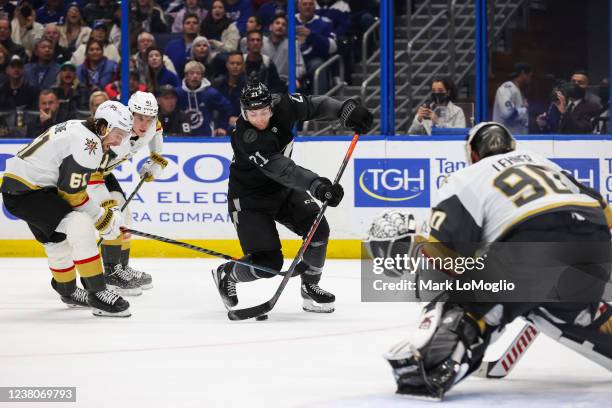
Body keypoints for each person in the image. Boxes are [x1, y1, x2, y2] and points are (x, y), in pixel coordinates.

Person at [384, 122, 612, 400]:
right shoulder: (545, 163)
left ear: (474, 153)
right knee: (566, 311)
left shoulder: (466, 176)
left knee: (469, 300)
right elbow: (604, 210)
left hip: (531, 243)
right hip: (594, 239)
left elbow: (439, 249)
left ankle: (431, 368)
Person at [213, 81, 373, 313]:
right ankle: (228, 273)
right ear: (243, 112)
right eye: (252, 114)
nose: (259, 119)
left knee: (318, 230)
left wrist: (344, 109)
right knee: (268, 263)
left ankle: (310, 287)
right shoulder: (247, 138)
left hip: (283, 191)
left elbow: (314, 105)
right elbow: (284, 170)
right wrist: (316, 185)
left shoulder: (284, 104)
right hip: (249, 201)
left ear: (272, 106)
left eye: (264, 112)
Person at [0, 100, 134, 317]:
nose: (119, 141)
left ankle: (67, 290)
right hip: (30, 193)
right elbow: (73, 195)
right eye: (118, 133)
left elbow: (68, 189)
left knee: (55, 239)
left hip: (23, 189)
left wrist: (101, 216)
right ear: (103, 126)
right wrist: (102, 217)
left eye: (124, 135)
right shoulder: (89, 144)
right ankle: (97, 293)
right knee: (79, 225)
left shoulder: (79, 127)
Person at [87, 92, 166, 295]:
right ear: (130, 114)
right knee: (113, 216)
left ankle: (120, 268)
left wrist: (156, 160)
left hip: (103, 172)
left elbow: (156, 131)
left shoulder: (152, 124)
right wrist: (107, 205)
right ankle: (111, 274)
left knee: (125, 216)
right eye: (140, 118)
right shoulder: (113, 130)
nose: (145, 124)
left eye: (149, 118)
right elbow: (91, 170)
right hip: (86, 174)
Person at [176, 60, 232, 136]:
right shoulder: (178, 93)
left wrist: (221, 126)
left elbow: (227, 108)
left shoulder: (210, 93)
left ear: (202, 76)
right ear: (186, 75)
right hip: (181, 138)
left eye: (198, 73)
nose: (195, 76)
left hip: (207, 138)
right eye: (191, 73)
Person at [536, 71, 601, 134]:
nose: (575, 85)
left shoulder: (592, 106)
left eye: (580, 83)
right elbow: (552, 129)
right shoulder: (559, 102)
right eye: (573, 82)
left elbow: (581, 130)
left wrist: (564, 112)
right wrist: (543, 124)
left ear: (587, 86)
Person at [296, 0, 337, 93]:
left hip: (311, 61)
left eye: (310, 4)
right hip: (291, 60)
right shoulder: (288, 20)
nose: (308, 6)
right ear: (298, 6)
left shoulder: (324, 22)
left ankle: (319, 102)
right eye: (304, 4)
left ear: (315, 7)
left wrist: (311, 35)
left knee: (318, 66)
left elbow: (333, 47)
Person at [262, 14, 305, 87]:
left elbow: (300, 67)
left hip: (284, 82)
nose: (280, 26)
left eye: (283, 25)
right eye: (277, 23)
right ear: (270, 27)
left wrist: (292, 78)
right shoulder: (261, 43)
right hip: (264, 81)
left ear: (286, 30)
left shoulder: (293, 44)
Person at [492, 62, 532, 134]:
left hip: (517, 139)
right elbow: (508, 113)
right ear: (523, 73)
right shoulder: (506, 88)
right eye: (529, 75)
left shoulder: (519, 91)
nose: (529, 79)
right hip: (505, 139)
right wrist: (524, 110)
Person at [212, 50, 245, 128]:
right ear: (227, 65)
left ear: (243, 66)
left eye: (238, 63)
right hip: (219, 126)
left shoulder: (250, 86)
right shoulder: (217, 84)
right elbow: (213, 109)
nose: (235, 66)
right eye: (232, 63)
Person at [165, 12, 200, 77]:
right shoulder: (172, 46)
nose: (191, 25)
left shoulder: (203, 46)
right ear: (183, 27)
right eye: (188, 23)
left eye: (195, 23)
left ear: (199, 27)